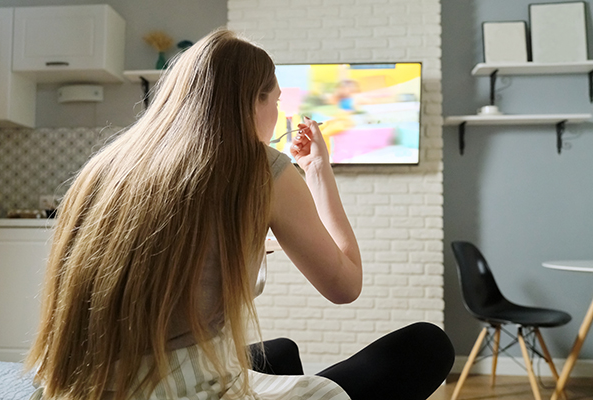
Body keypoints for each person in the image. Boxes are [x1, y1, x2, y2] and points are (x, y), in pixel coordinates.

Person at [25, 29, 454, 400]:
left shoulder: (107, 165)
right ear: (253, 100)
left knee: (281, 351)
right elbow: (345, 285)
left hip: (83, 385)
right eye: (277, 101)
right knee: (427, 345)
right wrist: (318, 171)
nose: (280, 115)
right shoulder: (260, 167)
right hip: (176, 389)